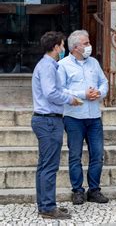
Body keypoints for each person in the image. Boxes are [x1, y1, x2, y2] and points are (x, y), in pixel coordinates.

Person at [31, 31, 81, 219]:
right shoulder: (48, 66)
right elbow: (51, 92)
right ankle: (48, 207)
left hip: (47, 120)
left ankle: (44, 204)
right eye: (62, 45)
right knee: (49, 166)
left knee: (44, 165)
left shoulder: (47, 65)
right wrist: (70, 99)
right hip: (49, 120)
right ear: (55, 47)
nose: (63, 49)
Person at [58, 30, 109, 205]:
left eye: (88, 43)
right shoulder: (63, 65)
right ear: (75, 47)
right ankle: (77, 191)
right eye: (86, 44)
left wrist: (100, 92)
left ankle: (94, 190)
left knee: (97, 155)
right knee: (75, 156)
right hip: (73, 117)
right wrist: (83, 94)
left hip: (94, 116)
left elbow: (104, 82)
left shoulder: (93, 63)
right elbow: (60, 90)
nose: (89, 46)